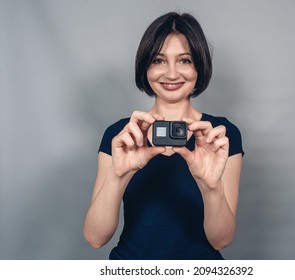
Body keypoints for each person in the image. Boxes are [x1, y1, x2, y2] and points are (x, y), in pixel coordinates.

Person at [83, 12, 244, 260]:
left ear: (199, 66)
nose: (171, 74)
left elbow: (221, 239)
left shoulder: (219, 136)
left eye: (184, 60)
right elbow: (95, 238)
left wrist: (211, 187)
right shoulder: (121, 135)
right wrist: (118, 175)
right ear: (145, 66)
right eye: (158, 60)